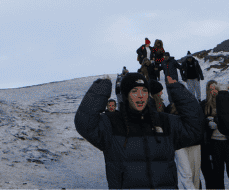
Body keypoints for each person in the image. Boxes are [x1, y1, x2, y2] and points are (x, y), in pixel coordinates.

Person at [75, 71, 205, 190]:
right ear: (126, 95)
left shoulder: (164, 121)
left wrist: (178, 91)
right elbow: (85, 124)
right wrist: (101, 88)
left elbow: (194, 128)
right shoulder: (112, 123)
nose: (141, 96)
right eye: (134, 91)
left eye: (144, 91)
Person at [202, 80, 229, 190]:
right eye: (210, 88)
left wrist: (217, 120)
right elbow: (201, 121)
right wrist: (207, 122)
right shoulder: (204, 104)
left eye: (215, 88)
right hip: (214, 142)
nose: (213, 91)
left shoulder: (226, 101)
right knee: (218, 174)